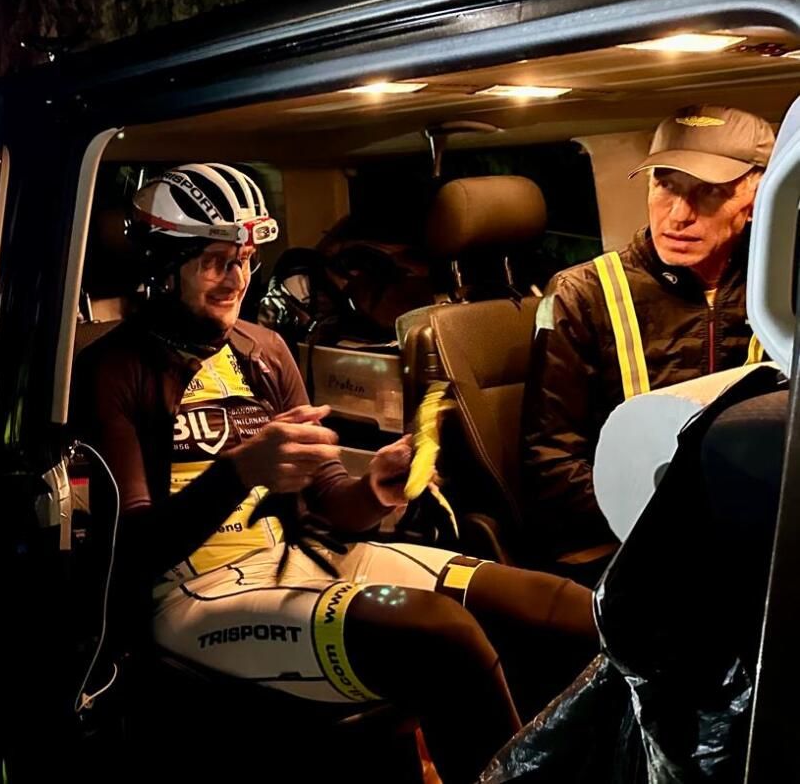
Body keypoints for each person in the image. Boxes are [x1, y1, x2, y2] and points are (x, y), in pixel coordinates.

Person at [71, 164, 599, 784]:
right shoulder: (112, 370)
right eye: (215, 262)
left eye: (244, 260)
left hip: (296, 557)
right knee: (439, 634)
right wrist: (241, 473)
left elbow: (330, 501)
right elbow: (132, 552)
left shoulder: (265, 351)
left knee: (563, 610)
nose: (236, 280)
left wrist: (377, 487)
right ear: (163, 267)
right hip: (190, 594)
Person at [520, 104, 773, 582]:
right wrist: (677, 523)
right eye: (666, 185)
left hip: (751, 534)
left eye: (710, 192)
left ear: (758, 196)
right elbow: (550, 465)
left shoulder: (780, 290)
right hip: (622, 546)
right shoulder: (582, 293)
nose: (678, 215)